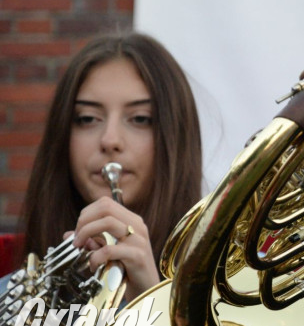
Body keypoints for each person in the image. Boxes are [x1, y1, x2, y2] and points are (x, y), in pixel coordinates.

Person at [5, 32, 204, 303]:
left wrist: (150, 303)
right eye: (88, 118)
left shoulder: (219, 290)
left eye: (140, 119)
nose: (110, 140)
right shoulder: (11, 286)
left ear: (174, 138)